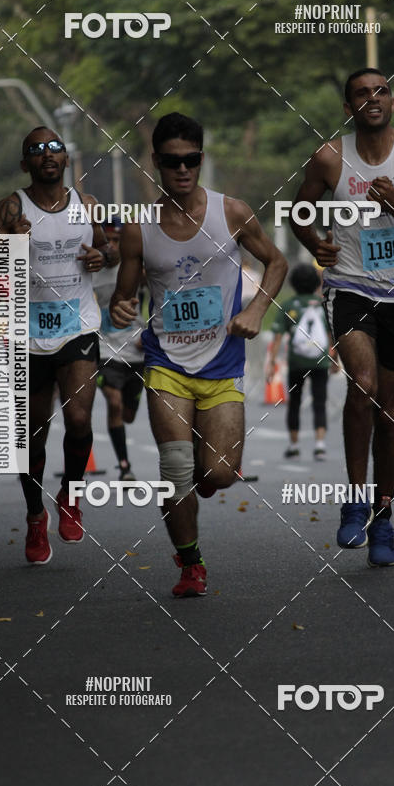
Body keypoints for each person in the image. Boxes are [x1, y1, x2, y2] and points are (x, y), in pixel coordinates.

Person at [110, 112, 287, 597]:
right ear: (156, 164)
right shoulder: (139, 229)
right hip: (165, 364)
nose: (182, 170)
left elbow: (277, 262)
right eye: (172, 162)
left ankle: (205, 475)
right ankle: (190, 563)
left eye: (190, 161)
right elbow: (124, 296)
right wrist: (122, 306)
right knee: (175, 470)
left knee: (221, 474)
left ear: (202, 160)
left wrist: (255, 311)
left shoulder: (231, 213)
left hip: (223, 364)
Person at [290, 68, 394, 566]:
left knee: (389, 403)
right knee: (360, 384)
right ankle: (354, 499)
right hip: (351, 286)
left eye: (381, 90)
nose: (373, 99)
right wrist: (313, 242)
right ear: (349, 109)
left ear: (393, 102)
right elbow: (299, 209)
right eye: (362, 93)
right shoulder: (330, 157)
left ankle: (383, 516)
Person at [0, 126, 118, 565]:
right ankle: (36, 516)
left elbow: (111, 251)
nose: (47, 154)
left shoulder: (87, 206)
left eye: (54, 148)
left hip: (78, 326)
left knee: (78, 418)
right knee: (31, 435)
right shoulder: (10, 208)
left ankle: (70, 495)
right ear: (25, 164)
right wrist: (6, 239)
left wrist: (102, 256)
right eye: (36, 150)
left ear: (66, 159)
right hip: (25, 332)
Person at [268, 263, 337, 461]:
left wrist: (272, 363)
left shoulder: (288, 306)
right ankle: (320, 445)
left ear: (293, 283)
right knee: (320, 402)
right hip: (320, 362)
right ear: (317, 283)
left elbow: (278, 336)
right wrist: (335, 360)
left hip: (296, 363)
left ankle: (294, 445)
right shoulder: (323, 304)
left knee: (295, 403)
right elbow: (331, 335)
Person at [92, 220, 145, 480]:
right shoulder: (89, 272)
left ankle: (123, 454)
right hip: (105, 349)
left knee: (129, 415)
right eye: (107, 241)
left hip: (137, 351)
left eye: (116, 241)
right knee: (113, 403)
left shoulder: (138, 270)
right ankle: (124, 466)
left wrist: (150, 334)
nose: (111, 247)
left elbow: (163, 297)